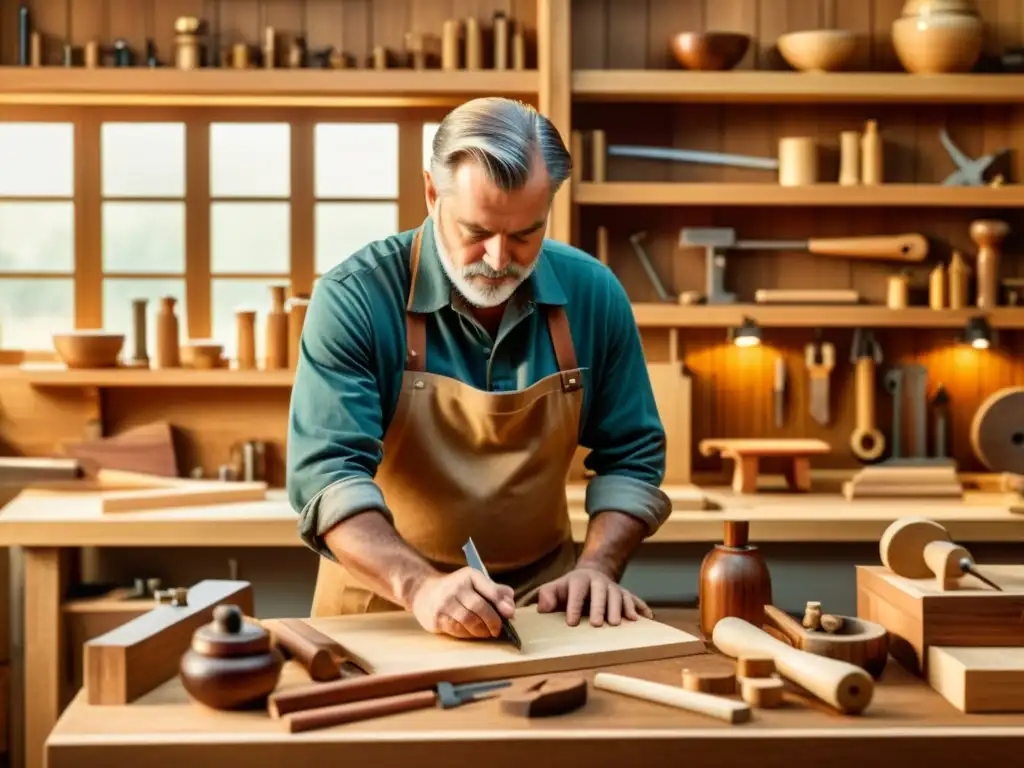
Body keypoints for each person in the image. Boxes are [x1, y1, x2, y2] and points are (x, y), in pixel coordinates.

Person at [286, 96, 671, 641]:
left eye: (524, 235)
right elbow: (328, 477)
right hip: (385, 604)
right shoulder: (356, 296)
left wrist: (597, 568)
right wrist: (421, 587)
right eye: (476, 232)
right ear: (430, 192)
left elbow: (632, 455)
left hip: (546, 610)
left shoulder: (593, 294)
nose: (498, 259)